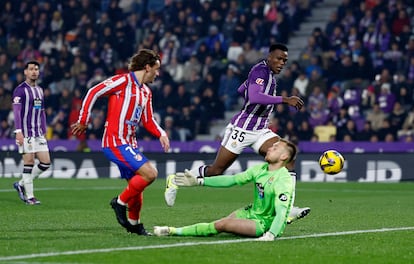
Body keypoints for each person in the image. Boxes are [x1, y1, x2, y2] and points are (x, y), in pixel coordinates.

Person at [165, 43, 310, 224]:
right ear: (269, 56)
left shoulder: (268, 75)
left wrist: (251, 89)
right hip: (242, 129)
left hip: (260, 129)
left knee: (288, 155)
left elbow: (242, 90)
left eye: (285, 61)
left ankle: (288, 207)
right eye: (279, 59)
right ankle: (175, 180)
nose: (282, 63)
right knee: (216, 170)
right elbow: (255, 97)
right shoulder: (261, 71)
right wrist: (285, 99)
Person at [71, 49, 170, 235]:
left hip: (129, 144)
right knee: (150, 173)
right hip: (115, 142)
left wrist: (161, 134)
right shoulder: (122, 81)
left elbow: (148, 120)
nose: (157, 74)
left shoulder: (146, 92)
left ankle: (134, 225)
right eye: (156, 69)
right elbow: (93, 92)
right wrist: (84, 120)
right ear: (147, 67)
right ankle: (119, 202)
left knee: (136, 185)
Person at [155, 139, 296, 241]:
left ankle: (172, 231)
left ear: (284, 157)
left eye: (275, 148)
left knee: (222, 225)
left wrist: (271, 235)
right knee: (220, 224)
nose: (270, 148)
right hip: (250, 212)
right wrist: (200, 181)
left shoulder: (283, 180)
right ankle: (173, 230)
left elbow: (281, 211)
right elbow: (232, 180)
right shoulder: (260, 169)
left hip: (262, 223)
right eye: (272, 146)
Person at [12, 60, 51, 205]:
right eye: (31, 69)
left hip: (38, 133)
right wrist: (18, 132)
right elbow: (16, 112)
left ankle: (21, 184)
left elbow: (41, 111)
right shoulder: (20, 90)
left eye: (36, 69)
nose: (34, 71)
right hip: (25, 133)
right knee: (28, 162)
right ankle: (30, 197)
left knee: (45, 163)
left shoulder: (40, 90)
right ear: (25, 72)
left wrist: (45, 130)